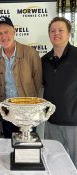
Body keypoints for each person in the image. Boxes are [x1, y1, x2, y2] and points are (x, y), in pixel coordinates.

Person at [0, 16, 42, 138]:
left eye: (6, 32)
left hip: (28, 112)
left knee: (27, 145)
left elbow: (37, 81)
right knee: (10, 142)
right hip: (7, 112)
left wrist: (32, 108)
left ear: (14, 31)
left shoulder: (30, 53)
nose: (3, 36)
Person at [42, 17, 77, 167]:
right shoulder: (44, 60)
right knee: (54, 162)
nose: (56, 33)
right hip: (52, 122)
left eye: (61, 30)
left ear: (69, 33)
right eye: (53, 30)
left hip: (74, 122)